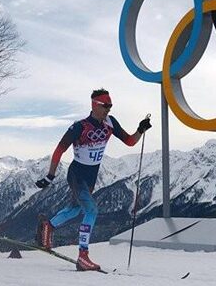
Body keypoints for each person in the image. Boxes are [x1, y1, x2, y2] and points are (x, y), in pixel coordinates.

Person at [35, 88, 151, 271]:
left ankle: (48, 226)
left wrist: (140, 129)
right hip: (77, 174)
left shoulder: (110, 123)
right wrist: (50, 176)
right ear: (95, 105)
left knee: (74, 209)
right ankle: (83, 256)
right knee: (92, 210)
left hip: (91, 177)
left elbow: (129, 141)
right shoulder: (79, 127)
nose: (108, 109)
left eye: (110, 106)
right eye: (105, 106)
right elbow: (59, 150)